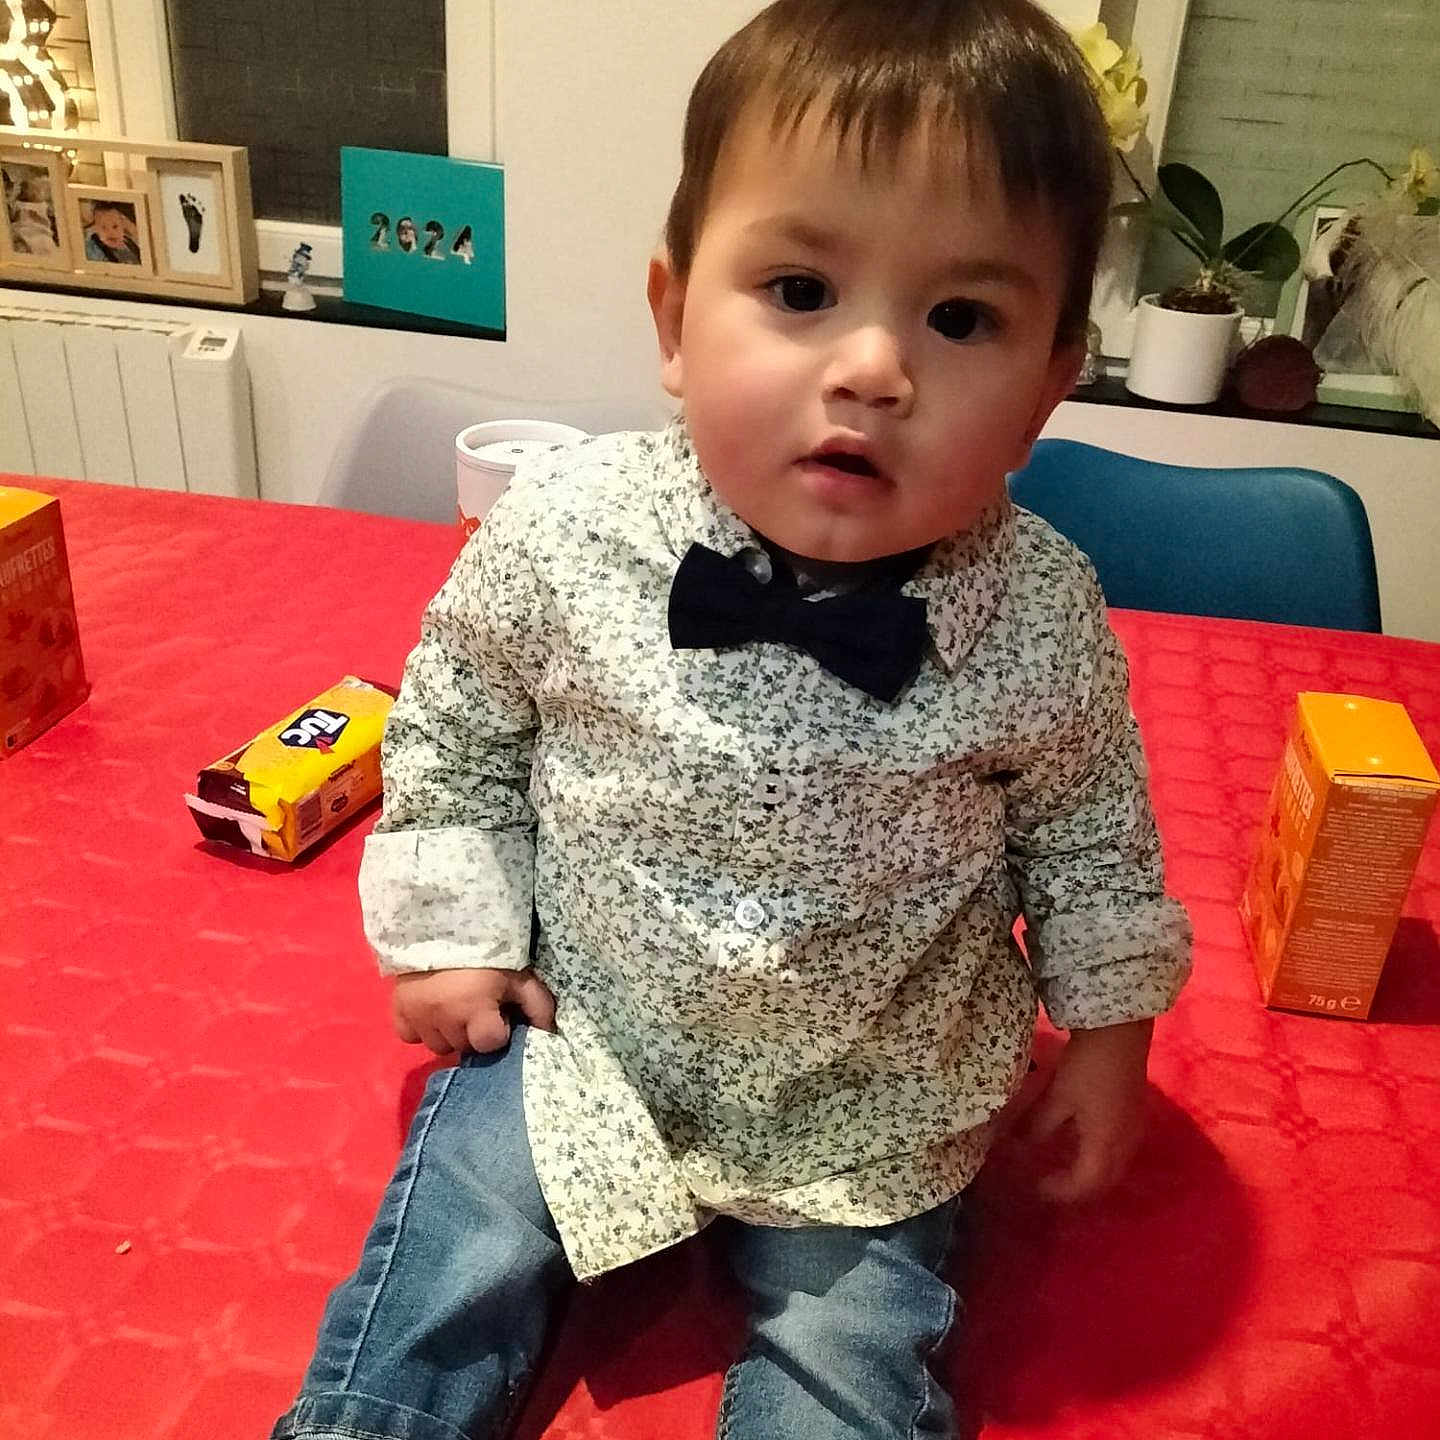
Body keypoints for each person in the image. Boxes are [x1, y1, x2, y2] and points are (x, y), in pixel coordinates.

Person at [271, 2, 1192, 1437]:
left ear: (1046, 392)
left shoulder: (1041, 614)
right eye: (800, 289)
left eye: (961, 319)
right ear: (673, 322)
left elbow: (1089, 836)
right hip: (584, 1038)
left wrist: (1110, 1035)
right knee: (451, 1256)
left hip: (874, 1096)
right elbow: (454, 734)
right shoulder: (561, 533)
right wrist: (453, 937)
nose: (873, 367)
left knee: (850, 1366)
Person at [83, 199, 141, 265]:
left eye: (115, 226)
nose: (110, 232)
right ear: (96, 229)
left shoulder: (129, 242)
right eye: (103, 228)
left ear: (122, 226)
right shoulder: (93, 247)